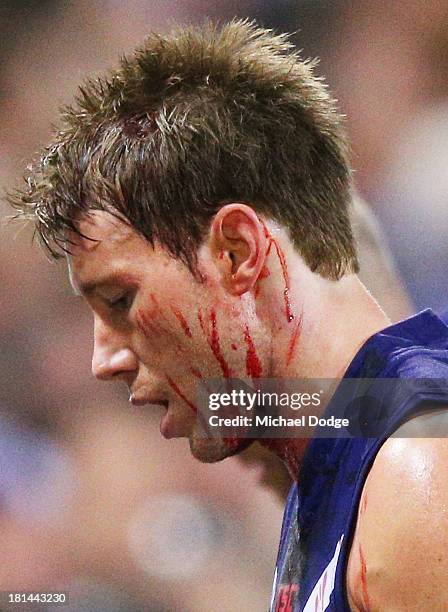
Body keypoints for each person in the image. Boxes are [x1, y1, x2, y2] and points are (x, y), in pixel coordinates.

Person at [10, 21, 448, 610]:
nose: (104, 361)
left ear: (237, 252)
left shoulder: (413, 482)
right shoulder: (340, 435)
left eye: (121, 301)